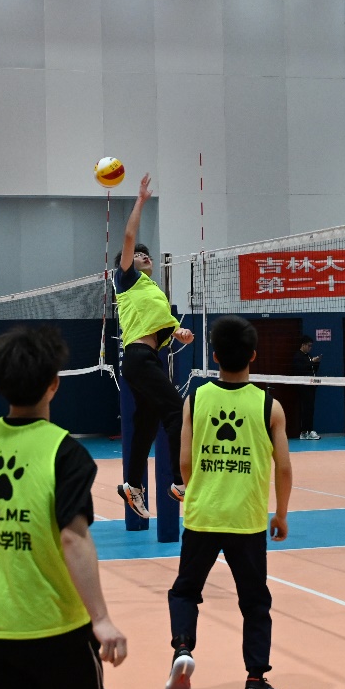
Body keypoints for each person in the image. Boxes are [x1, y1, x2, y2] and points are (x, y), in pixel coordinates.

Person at [0, 326, 127, 689]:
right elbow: (73, 540)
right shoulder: (65, 453)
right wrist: (101, 618)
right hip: (52, 626)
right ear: (54, 384)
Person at [166, 316, 291, 689]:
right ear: (253, 355)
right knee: (254, 602)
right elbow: (284, 468)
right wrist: (281, 515)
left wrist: (197, 492)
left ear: (215, 355)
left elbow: (185, 461)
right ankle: (255, 679)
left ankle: (183, 647)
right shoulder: (270, 406)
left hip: (203, 515)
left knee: (185, 591)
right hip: (247, 520)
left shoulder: (195, 399)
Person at [114, 173, 195, 518]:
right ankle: (180, 481)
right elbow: (129, 236)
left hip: (149, 358)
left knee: (147, 425)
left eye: (146, 255)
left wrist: (180, 333)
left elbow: (167, 325)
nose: (143, 256)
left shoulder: (154, 292)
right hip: (138, 357)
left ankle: (132, 485)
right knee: (176, 411)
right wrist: (141, 201)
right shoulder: (127, 281)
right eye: (138, 255)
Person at [291, 336, 321, 440]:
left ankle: (308, 430)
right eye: (309, 346)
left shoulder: (308, 356)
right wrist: (312, 362)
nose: (310, 348)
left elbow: (313, 369)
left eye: (311, 346)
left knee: (310, 409)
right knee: (306, 409)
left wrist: (316, 362)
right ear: (303, 345)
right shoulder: (298, 357)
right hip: (303, 387)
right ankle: (305, 431)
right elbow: (300, 369)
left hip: (311, 386)